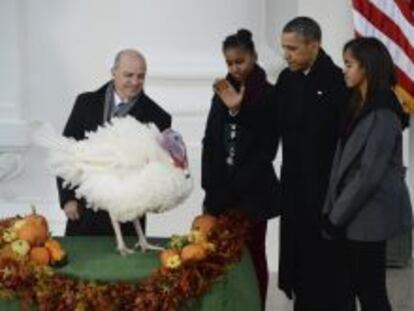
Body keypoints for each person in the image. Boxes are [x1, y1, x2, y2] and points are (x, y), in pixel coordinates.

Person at [322, 37, 413, 311]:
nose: (344, 70)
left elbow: (368, 175)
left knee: (371, 292)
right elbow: (342, 164)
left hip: (369, 217)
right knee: (349, 287)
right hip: (351, 215)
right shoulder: (356, 105)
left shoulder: (384, 112)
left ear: (368, 68)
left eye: (349, 64)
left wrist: (335, 217)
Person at [275, 17, 355, 310]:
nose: (287, 55)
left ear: (314, 45)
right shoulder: (286, 80)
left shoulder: (337, 83)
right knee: (300, 266)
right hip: (294, 191)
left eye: (293, 48)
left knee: (329, 270)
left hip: (327, 194)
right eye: (284, 48)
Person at [201, 29, 280, 309]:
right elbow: (210, 140)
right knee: (219, 254)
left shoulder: (269, 95)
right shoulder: (221, 91)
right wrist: (211, 187)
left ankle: (256, 304)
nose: (235, 68)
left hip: (253, 194)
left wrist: (238, 111)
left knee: (253, 254)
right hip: (221, 192)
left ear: (254, 57)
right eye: (230, 63)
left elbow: (267, 147)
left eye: (240, 61)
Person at [58, 49, 171, 236]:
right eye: (129, 75)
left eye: (140, 76)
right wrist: (68, 198)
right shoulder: (85, 103)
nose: (135, 82)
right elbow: (66, 150)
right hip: (83, 211)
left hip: (128, 217)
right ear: (114, 72)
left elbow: (157, 171)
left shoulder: (158, 117)